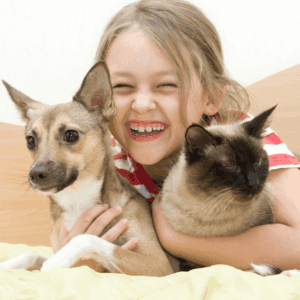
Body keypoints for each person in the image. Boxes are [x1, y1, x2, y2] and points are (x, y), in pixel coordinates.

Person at [59, 0, 300, 271]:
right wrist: (76, 246)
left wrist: (174, 238)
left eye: (166, 85)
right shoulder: (113, 165)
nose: (142, 104)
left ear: (211, 97)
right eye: (123, 86)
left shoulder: (243, 141)